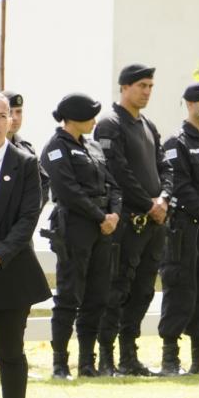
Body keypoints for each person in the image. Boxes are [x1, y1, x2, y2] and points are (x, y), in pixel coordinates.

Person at [0, 91, 51, 398]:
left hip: (11, 262)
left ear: (12, 120)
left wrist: (0, 251)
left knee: (9, 352)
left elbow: (28, 217)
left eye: (2, 116)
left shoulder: (25, 163)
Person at [94, 64, 173, 376]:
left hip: (153, 224)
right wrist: (147, 203)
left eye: (151, 86)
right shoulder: (110, 125)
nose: (147, 91)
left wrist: (164, 199)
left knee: (143, 291)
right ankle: (105, 358)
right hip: (128, 222)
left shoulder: (148, 126)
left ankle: (129, 356)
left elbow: (165, 167)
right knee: (117, 289)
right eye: (141, 85)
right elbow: (118, 171)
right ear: (124, 87)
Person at [40, 94, 121, 379]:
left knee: (97, 296)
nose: (95, 121)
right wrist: (102, 217)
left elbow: (113, 185)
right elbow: (67, 191)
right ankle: (60, 363)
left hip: (102, 230)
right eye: (90, 115)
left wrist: (114, 214)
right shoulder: (55, 148)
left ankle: (88, 363)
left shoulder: (93, 146)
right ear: (73, 117)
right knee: (69, 296)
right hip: (75, 229)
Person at [157, 82, 199, 375]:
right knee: (181, 290)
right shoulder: (177, 142)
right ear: (189, 103)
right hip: (186, 230)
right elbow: (181, 187)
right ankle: (170, 357)